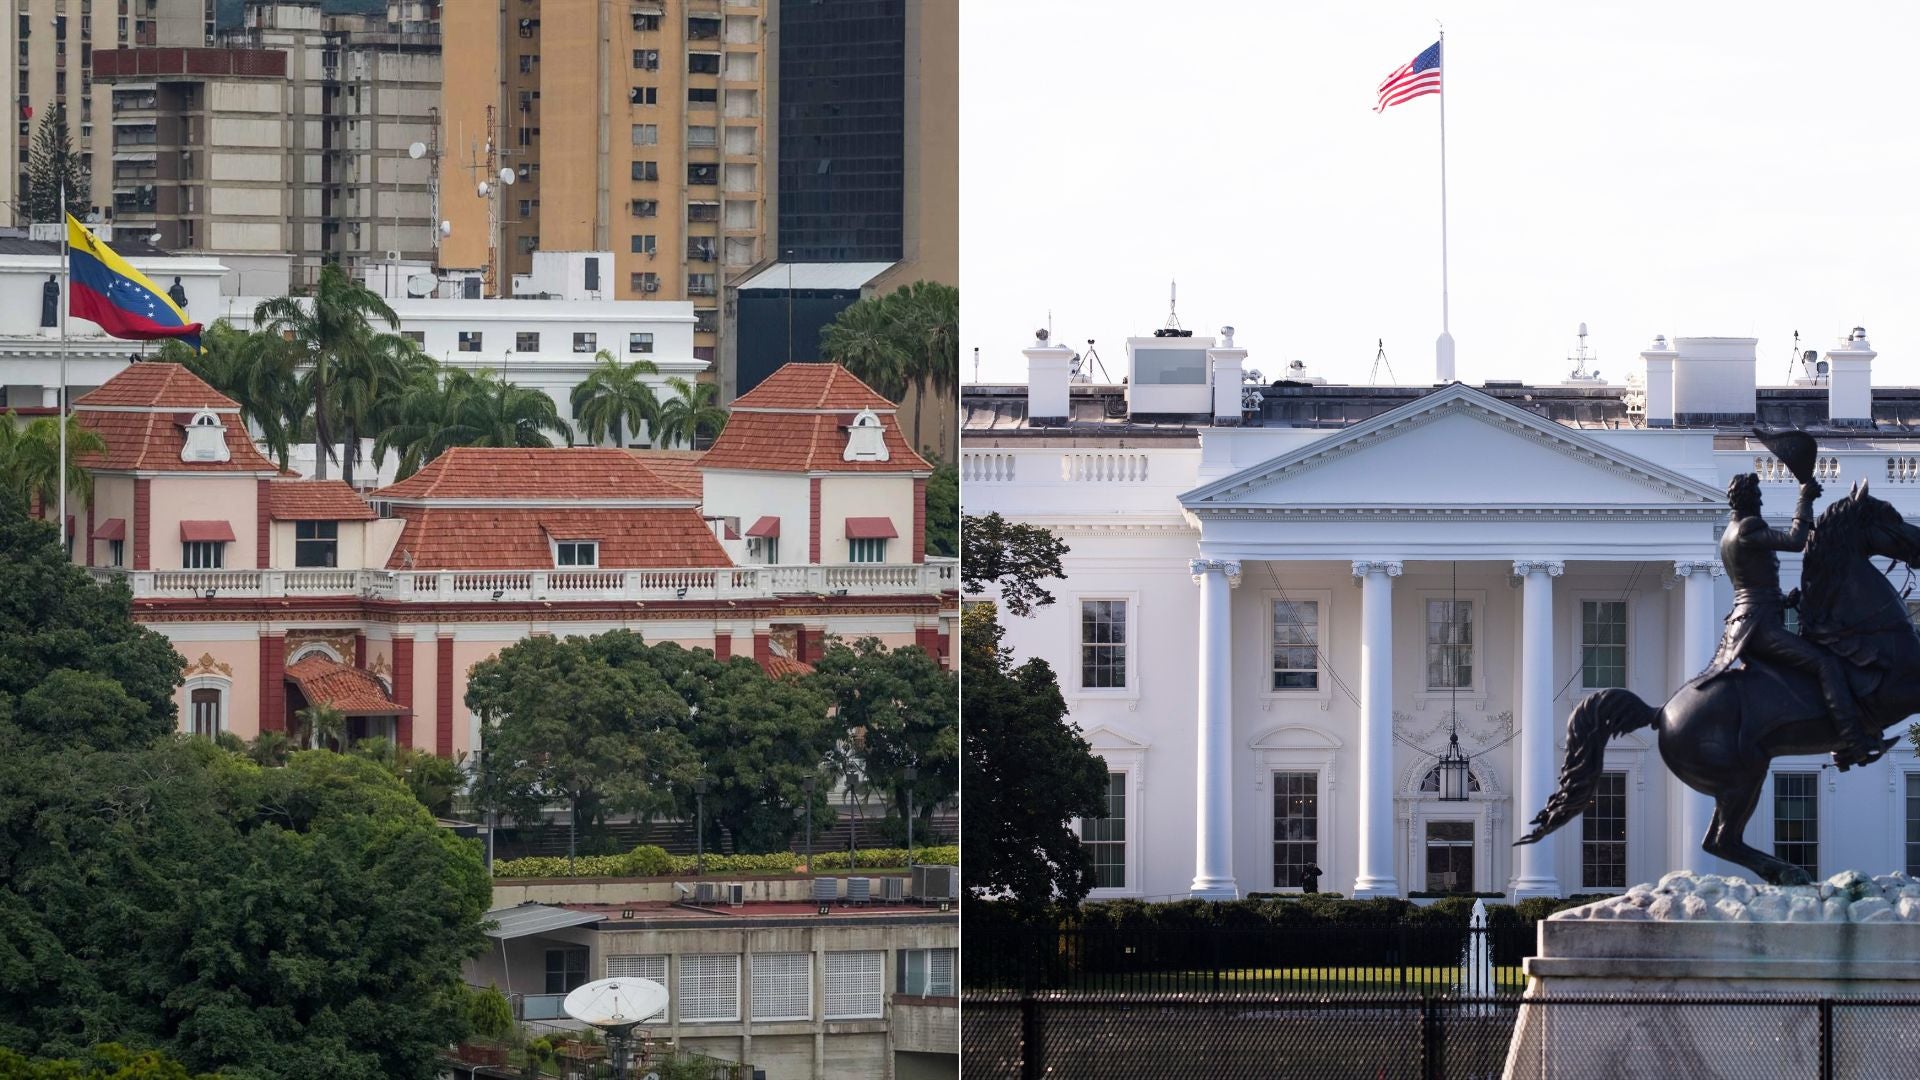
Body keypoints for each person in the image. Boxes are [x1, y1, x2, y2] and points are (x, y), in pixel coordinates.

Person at [1704, 474, 1879, 767]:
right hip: (1759, 627)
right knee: (1826, 663)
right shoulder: (1748, 527)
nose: (1761, 500)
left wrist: (1784, 600)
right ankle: (1852, 741)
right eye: (1758, 496)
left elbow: (1751, 585)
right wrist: (1805, 498)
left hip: (1750, 619)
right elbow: (1796, 541)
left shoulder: (1728, 535)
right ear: (1749, 499)